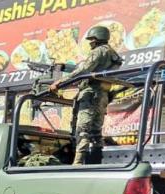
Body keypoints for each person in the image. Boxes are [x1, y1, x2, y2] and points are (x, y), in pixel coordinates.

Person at [49, 25, 122, 165]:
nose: (90, 43)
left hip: (90, 94)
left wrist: (60, 82)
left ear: (98, 38)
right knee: (95, 131)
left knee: (82, 130)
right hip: (102, 95)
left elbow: (84, 69)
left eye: (92, 39)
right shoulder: (112, 54)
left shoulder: (99, 51)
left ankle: (77, 163)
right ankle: (96, 160)